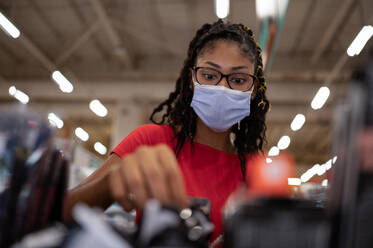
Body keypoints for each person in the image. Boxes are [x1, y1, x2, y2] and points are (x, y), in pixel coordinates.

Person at [65, 19, 270, 243]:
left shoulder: (254, 169)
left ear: (253, 90)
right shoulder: (150, 141)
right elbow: (64, 212)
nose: (222, 88)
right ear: (192, 79)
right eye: (210, 76)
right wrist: (112, 181)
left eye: (238, 79)